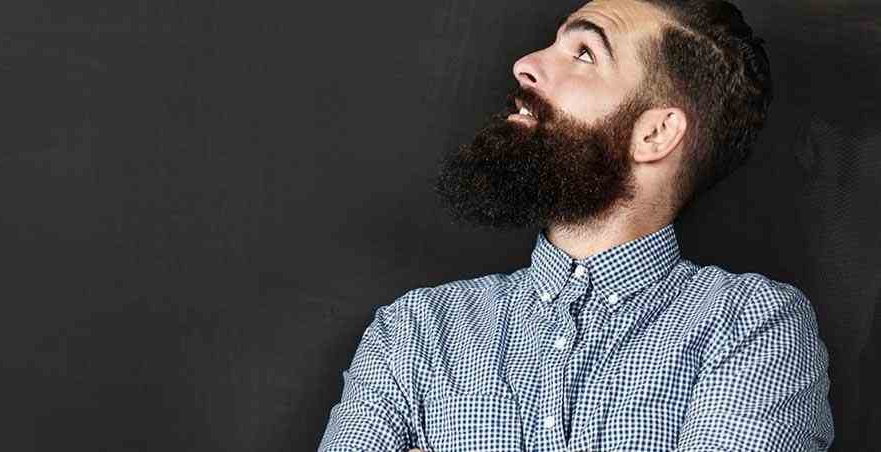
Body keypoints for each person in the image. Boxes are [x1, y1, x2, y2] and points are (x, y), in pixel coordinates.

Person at [316, 0, 834, 450]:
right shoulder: (414, 330)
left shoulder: (752, 326)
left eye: (584, 53)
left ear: (655, 134)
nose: (525, 65)